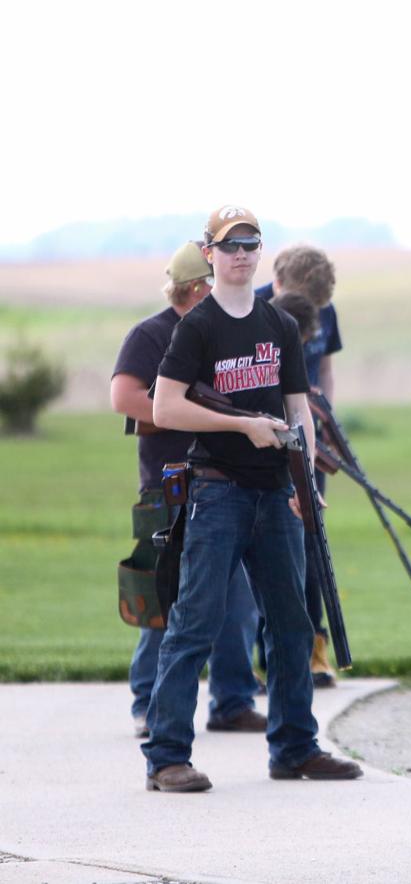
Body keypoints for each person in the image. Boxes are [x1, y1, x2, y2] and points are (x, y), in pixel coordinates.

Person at [142, 205, 362, 792]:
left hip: (275, 493)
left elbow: (299, 409)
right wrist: (242, 426)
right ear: (208, 254)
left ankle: (294, 748)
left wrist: (306, 483)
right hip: (218, 491)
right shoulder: (199, 326)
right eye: (229, 245)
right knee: (194, 624)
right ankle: (166, 757)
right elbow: (165, 407)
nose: (241, 254)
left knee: (291, 626)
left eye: (251, 244)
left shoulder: (279, 326)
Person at [110, 241, 264, 738]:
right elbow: (125, 398)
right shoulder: (151, 334)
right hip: (169, 489)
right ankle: (146, 702)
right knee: (166, 596)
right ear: (199, 287)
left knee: (237, 600)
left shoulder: (219, 332)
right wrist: (178, 409)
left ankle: (233, 701)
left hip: (220, 484)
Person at [256, 246, 342, 686]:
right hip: (264, 443)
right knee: (268, 550)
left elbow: (324, 371)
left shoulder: (326, 313)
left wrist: (324, 418)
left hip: (308, 442)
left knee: (311, 547)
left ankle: (315, 649)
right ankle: (265, 656)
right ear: (278, 282)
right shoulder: (252, 310)